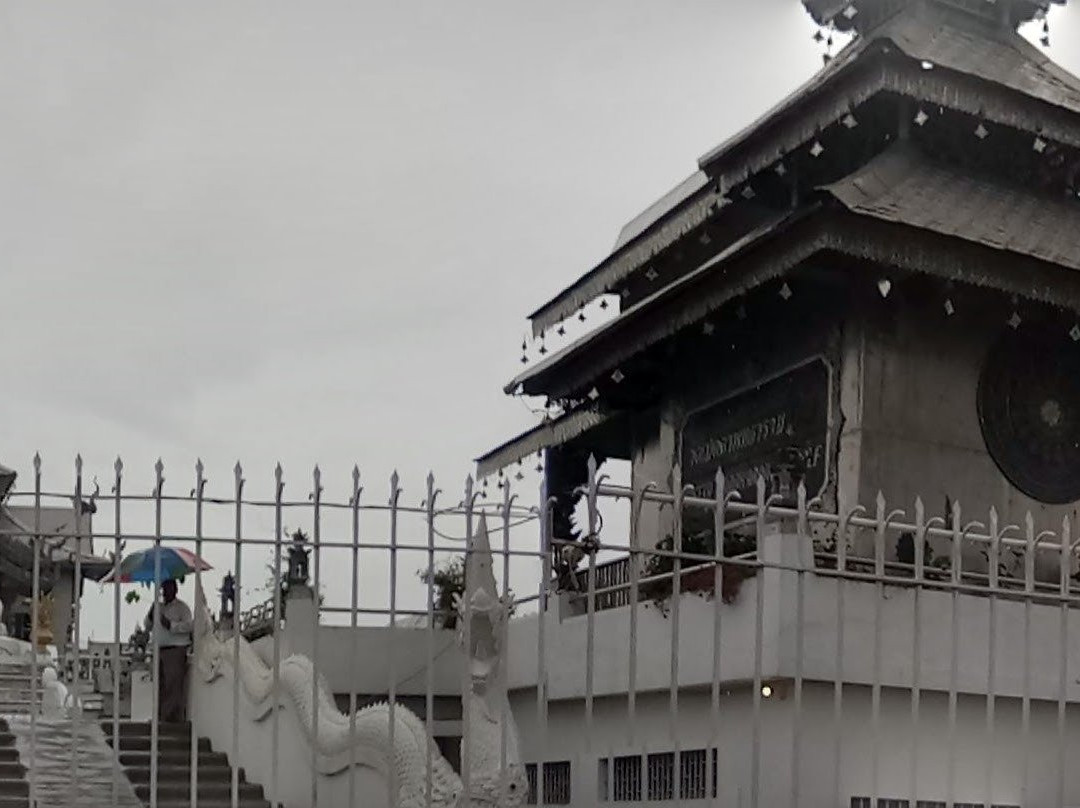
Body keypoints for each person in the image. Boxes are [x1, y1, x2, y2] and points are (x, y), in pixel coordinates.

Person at [144, 579, 193, 723]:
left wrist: (171, 625)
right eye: (164, 588)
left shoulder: (182, 608)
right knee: (160, 685)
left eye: (168, 588)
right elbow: (147, 626)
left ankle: (170, 717)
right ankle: (160, 716)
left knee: (173, 685)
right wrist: (152, 614)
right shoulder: (158, 607)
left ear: (175, 590)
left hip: (175, 649)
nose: (165, 591)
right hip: (159, 649)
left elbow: (189, 626)